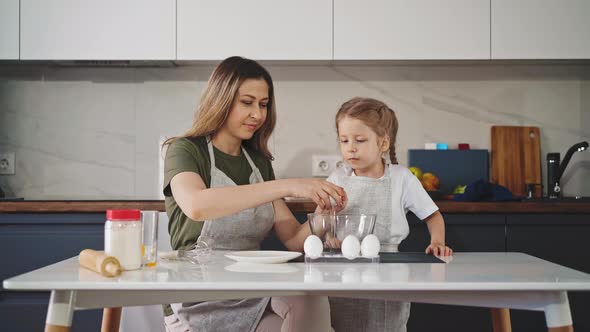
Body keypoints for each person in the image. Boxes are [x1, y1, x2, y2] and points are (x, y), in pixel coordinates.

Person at [162, 56, 346, 332]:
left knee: (309, 299)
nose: (258, 115)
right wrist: (287, 185)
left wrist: (323, 216)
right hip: (196, 297)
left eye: (263, 104)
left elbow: (294, 240)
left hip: (251, 289)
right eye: (247, 103)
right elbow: (197, 205)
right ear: (221, 100)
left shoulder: (258, 163)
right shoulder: (186, 150)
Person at [324, 97, 453, 332]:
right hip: (344, 269)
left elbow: (433, 216)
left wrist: (437, 242)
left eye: (360, 140)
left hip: (390, 269)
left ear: (383, 143)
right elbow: (323, 217)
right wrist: (328, 236)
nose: (350, 147)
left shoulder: (401, 178)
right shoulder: (337, 179)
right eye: (344, 140)